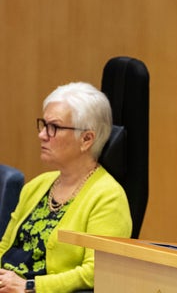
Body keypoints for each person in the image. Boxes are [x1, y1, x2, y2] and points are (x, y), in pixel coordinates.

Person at [0, 82, 132, 293]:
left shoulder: (108, 197)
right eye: (43, 124)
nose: (42, 134)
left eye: (54, 127)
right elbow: (5, 246)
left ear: (86, 139)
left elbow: (96, 271)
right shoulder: (38, 185)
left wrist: (31, 286)